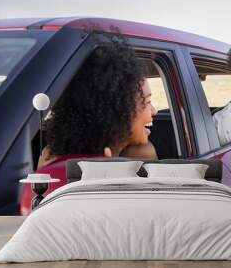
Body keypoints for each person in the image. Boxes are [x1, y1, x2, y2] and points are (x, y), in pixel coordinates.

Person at [20, 33, 157, 215]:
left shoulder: (47, 176)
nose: (154, 110)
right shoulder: (120, 184)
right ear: (118, 111)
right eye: (146, 101)